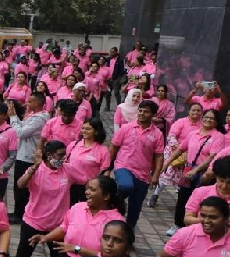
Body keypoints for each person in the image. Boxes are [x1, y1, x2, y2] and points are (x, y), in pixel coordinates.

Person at [33, 175, 127, 257]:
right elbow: (64, 227)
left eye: (93, 190)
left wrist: (77, 249)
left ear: (106, 196)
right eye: (88, 188)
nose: (87, 192)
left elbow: (111, 256)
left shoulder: (116, 222)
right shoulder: (78, 208)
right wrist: (46, 237)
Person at [2, 142, 70, 257]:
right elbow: (20, 184)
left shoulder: (68, 170)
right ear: (49, 155)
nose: (63, 158)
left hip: (57, 227)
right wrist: (34, 168)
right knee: (21, 256)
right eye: (60, 155)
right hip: (33, 223)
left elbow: (85, 180)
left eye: (64, 154)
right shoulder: (36, 171)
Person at [161, 108, 226, 236]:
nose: (207, 120)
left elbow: (211, 157)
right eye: (205, 117)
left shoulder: (218, 136)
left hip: (203, 173)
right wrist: (166, 163)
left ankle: (196, 227)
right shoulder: (193, 134)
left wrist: (196, 170)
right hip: (188, 169)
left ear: (216, 122)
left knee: (201, 200)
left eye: (211, 118)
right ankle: (178, 225)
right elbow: (180, 149)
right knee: (182, 197)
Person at [109, 99, 163, 229]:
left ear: (153, 115)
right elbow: (114, 147)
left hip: (143, 174)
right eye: (140, 110)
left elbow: (159, 156)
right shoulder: (126, 128)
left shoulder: (157, 134)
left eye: (146, 112)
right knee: (126, 186)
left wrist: (156, 175)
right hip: (123, 166)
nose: (142, 113)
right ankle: (114, 201)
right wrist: (107, 167)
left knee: (135, 208)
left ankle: (129, 232)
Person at [8, 93, 50, 223]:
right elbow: (23, 126)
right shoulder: (34, 115)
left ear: (38, 103)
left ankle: (20, 214)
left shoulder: (39, 119)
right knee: (18, 187)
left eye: (30, 102)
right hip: (24, 152)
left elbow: (21, 132)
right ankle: (17, 211)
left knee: (21, 188)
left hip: (27, 156)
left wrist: (13, 117)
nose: (27, 104)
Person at [63, 118, 110, 206]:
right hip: (70, 186)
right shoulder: (73, 145)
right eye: (83, 128)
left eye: (88, 129)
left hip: (88, 188)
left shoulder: (103, 151)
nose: (84, 131)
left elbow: (105, 172)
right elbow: (65, 163)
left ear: (96, 132)